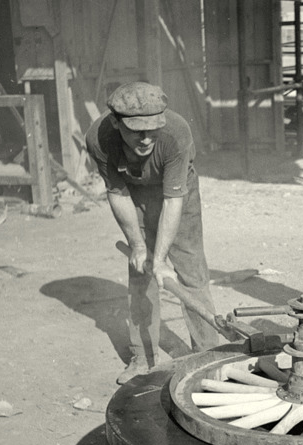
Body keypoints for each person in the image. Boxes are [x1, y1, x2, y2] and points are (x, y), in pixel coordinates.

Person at [86, 81, 218, 384]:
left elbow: (173, 200)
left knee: (191, 271)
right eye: (137, 131)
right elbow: (117, 194)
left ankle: (208, 353)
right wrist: (139, 247)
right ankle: (142, 356)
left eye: (152, 129)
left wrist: (160, 258)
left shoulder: (176, 133)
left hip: (177, 195)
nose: (146, 139)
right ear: (118, 124)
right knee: (140, 274)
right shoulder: (99, 138)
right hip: (133, 195)